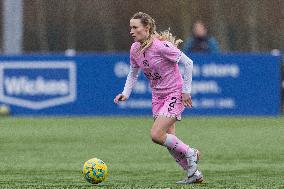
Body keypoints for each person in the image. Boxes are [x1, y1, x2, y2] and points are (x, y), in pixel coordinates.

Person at [114, 12, 203, 184]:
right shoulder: (135, 49)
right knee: (168, 140)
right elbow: (133, 74)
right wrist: (126, 93)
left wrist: (186, 91)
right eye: (130, 27)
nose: (131, 31)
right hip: (158, 97)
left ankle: (191, 152)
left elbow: (188, 63)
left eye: (135, 27)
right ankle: (194, 174)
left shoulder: (160, 46)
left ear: (146, 28)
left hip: (174, 94)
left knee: (156, 134)